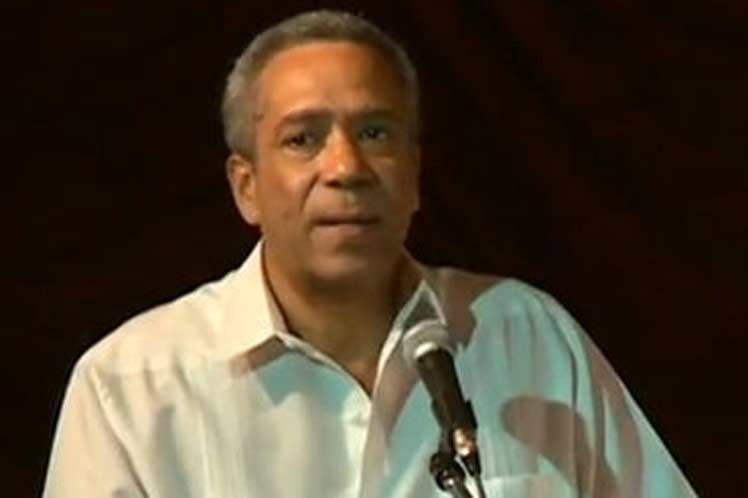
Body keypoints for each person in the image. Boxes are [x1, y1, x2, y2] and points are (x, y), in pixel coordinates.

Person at [43, 9, 698, 498]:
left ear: (414, 175)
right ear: (247, 187)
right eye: (303, 139)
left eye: (375, 133)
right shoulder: (132, 388)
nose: (346, 167)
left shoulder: (529, 337)